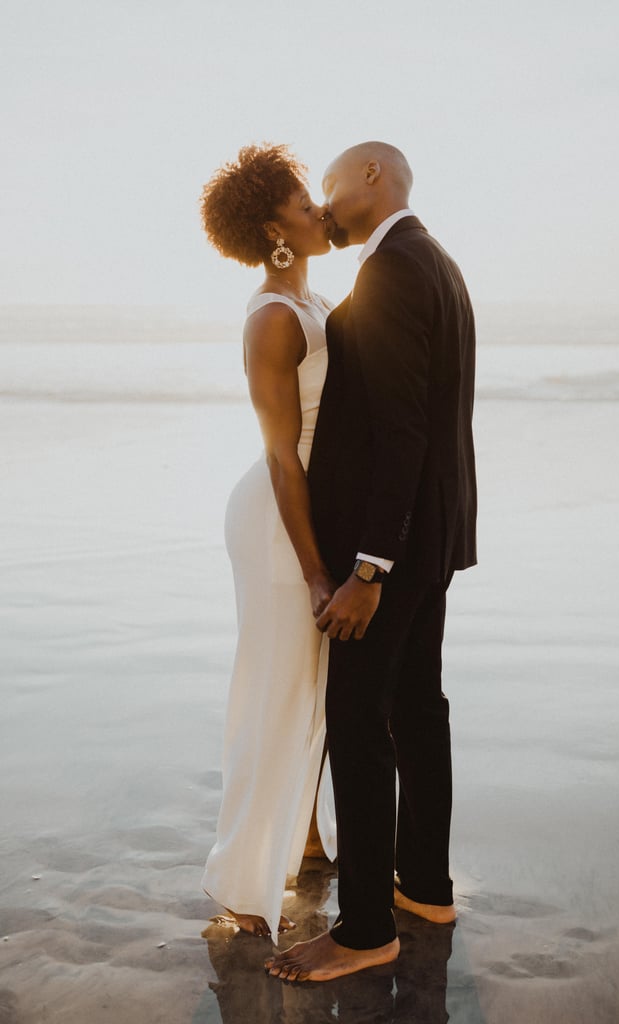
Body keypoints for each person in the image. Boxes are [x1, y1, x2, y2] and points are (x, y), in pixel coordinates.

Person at [266, 142, 477, 982]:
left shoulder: (392, 269)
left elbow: (401, 430)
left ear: (370, 179)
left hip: (390, 547)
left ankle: (362, 932)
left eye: (330, 191)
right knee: (418, 706)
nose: (325, 209)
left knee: (358, 720)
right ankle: (425, 886)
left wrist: (367, 569)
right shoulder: (437, 259)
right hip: (437, 534)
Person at [200, 143, 337, 940]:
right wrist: (318, 573)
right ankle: (241, 879)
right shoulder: (275, 317)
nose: (318, 208)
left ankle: (308, 837)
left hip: (307, 515)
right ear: (270, 226)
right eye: (300, 200)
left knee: (311, 688)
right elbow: (285, 456)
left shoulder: (310, 299)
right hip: (280, 524)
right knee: (276, 686)